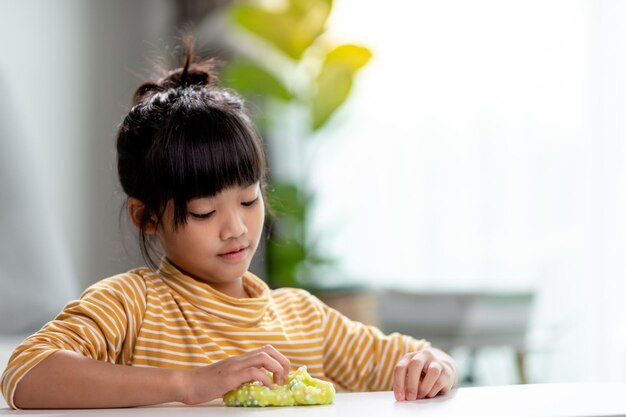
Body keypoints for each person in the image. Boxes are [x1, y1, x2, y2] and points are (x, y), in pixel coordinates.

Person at [0, 38, 458, 409]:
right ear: (148, 216)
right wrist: (187, 384)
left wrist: (431, 364)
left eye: (248, 199)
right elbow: (25, 373)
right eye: (204, 212)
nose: (236, 228)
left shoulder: (303, 317)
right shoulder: (133, 305)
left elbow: (412, 358)